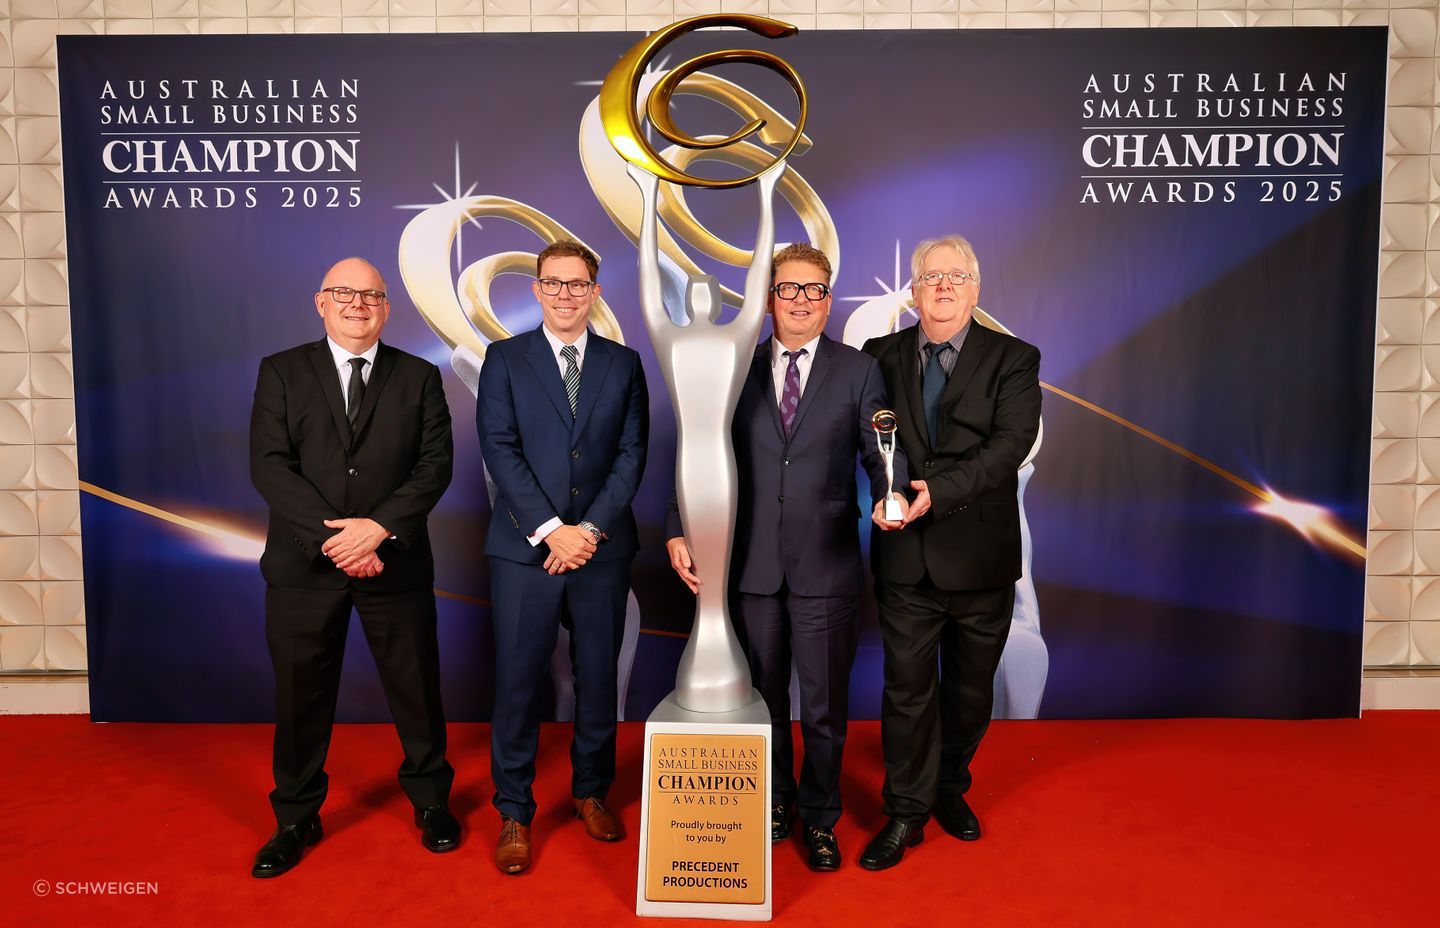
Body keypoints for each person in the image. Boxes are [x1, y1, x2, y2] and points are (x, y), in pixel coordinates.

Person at [665, 242, 909, 872]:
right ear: (769, 299)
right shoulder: (730, 368)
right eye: (789, 289)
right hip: (747, 564)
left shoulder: (857, 371)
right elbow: (697, 446)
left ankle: (820, 818)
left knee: (824, 706)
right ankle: (773, 803)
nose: (801, 301)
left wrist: (890, 495)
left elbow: (882, 446)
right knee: (764, 699)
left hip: (824, 565)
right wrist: (678, 525)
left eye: (814, 291)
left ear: (829, 302)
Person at [248, 257, 458, 878]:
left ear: (387, 307)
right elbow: (269, 465)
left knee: (417, 692)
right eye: (344, 292)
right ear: (320, 301)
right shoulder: (281, 371)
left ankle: (430, 803)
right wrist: (335, 539)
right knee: (298, 699)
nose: (357, 303)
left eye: (371, 295)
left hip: (395, 564)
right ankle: (294, 816)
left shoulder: (420, 376)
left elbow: (434, 466)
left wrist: (377, 530)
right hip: (303, 568)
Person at [858, 235, 1042, 871]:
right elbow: (873, 437)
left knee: (968, 690)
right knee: (906, 690)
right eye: (930, 276)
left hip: (980, 555)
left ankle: (950, 787)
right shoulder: (878, 356)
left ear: (975, 289)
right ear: (911, 292)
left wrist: (936, 492)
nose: (941, 286)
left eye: (955, 276)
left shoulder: (1014, 358)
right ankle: (905, 812)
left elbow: (1009, 446)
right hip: (904, 554)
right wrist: (891, 492)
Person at [477, 240, 649, 875]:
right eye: (554, 283)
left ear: (596, 291)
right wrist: (552, 531)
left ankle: (590, 792)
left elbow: (633, 455)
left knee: (598, 678)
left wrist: (591, 531)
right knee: (519, 683)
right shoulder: (504, 359)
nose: (566, 294)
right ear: (537, 290)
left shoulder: (624, 364)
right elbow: (499, 449)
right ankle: (515, 810)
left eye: (579, 284)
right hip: (526, 549)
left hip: (600, 550)